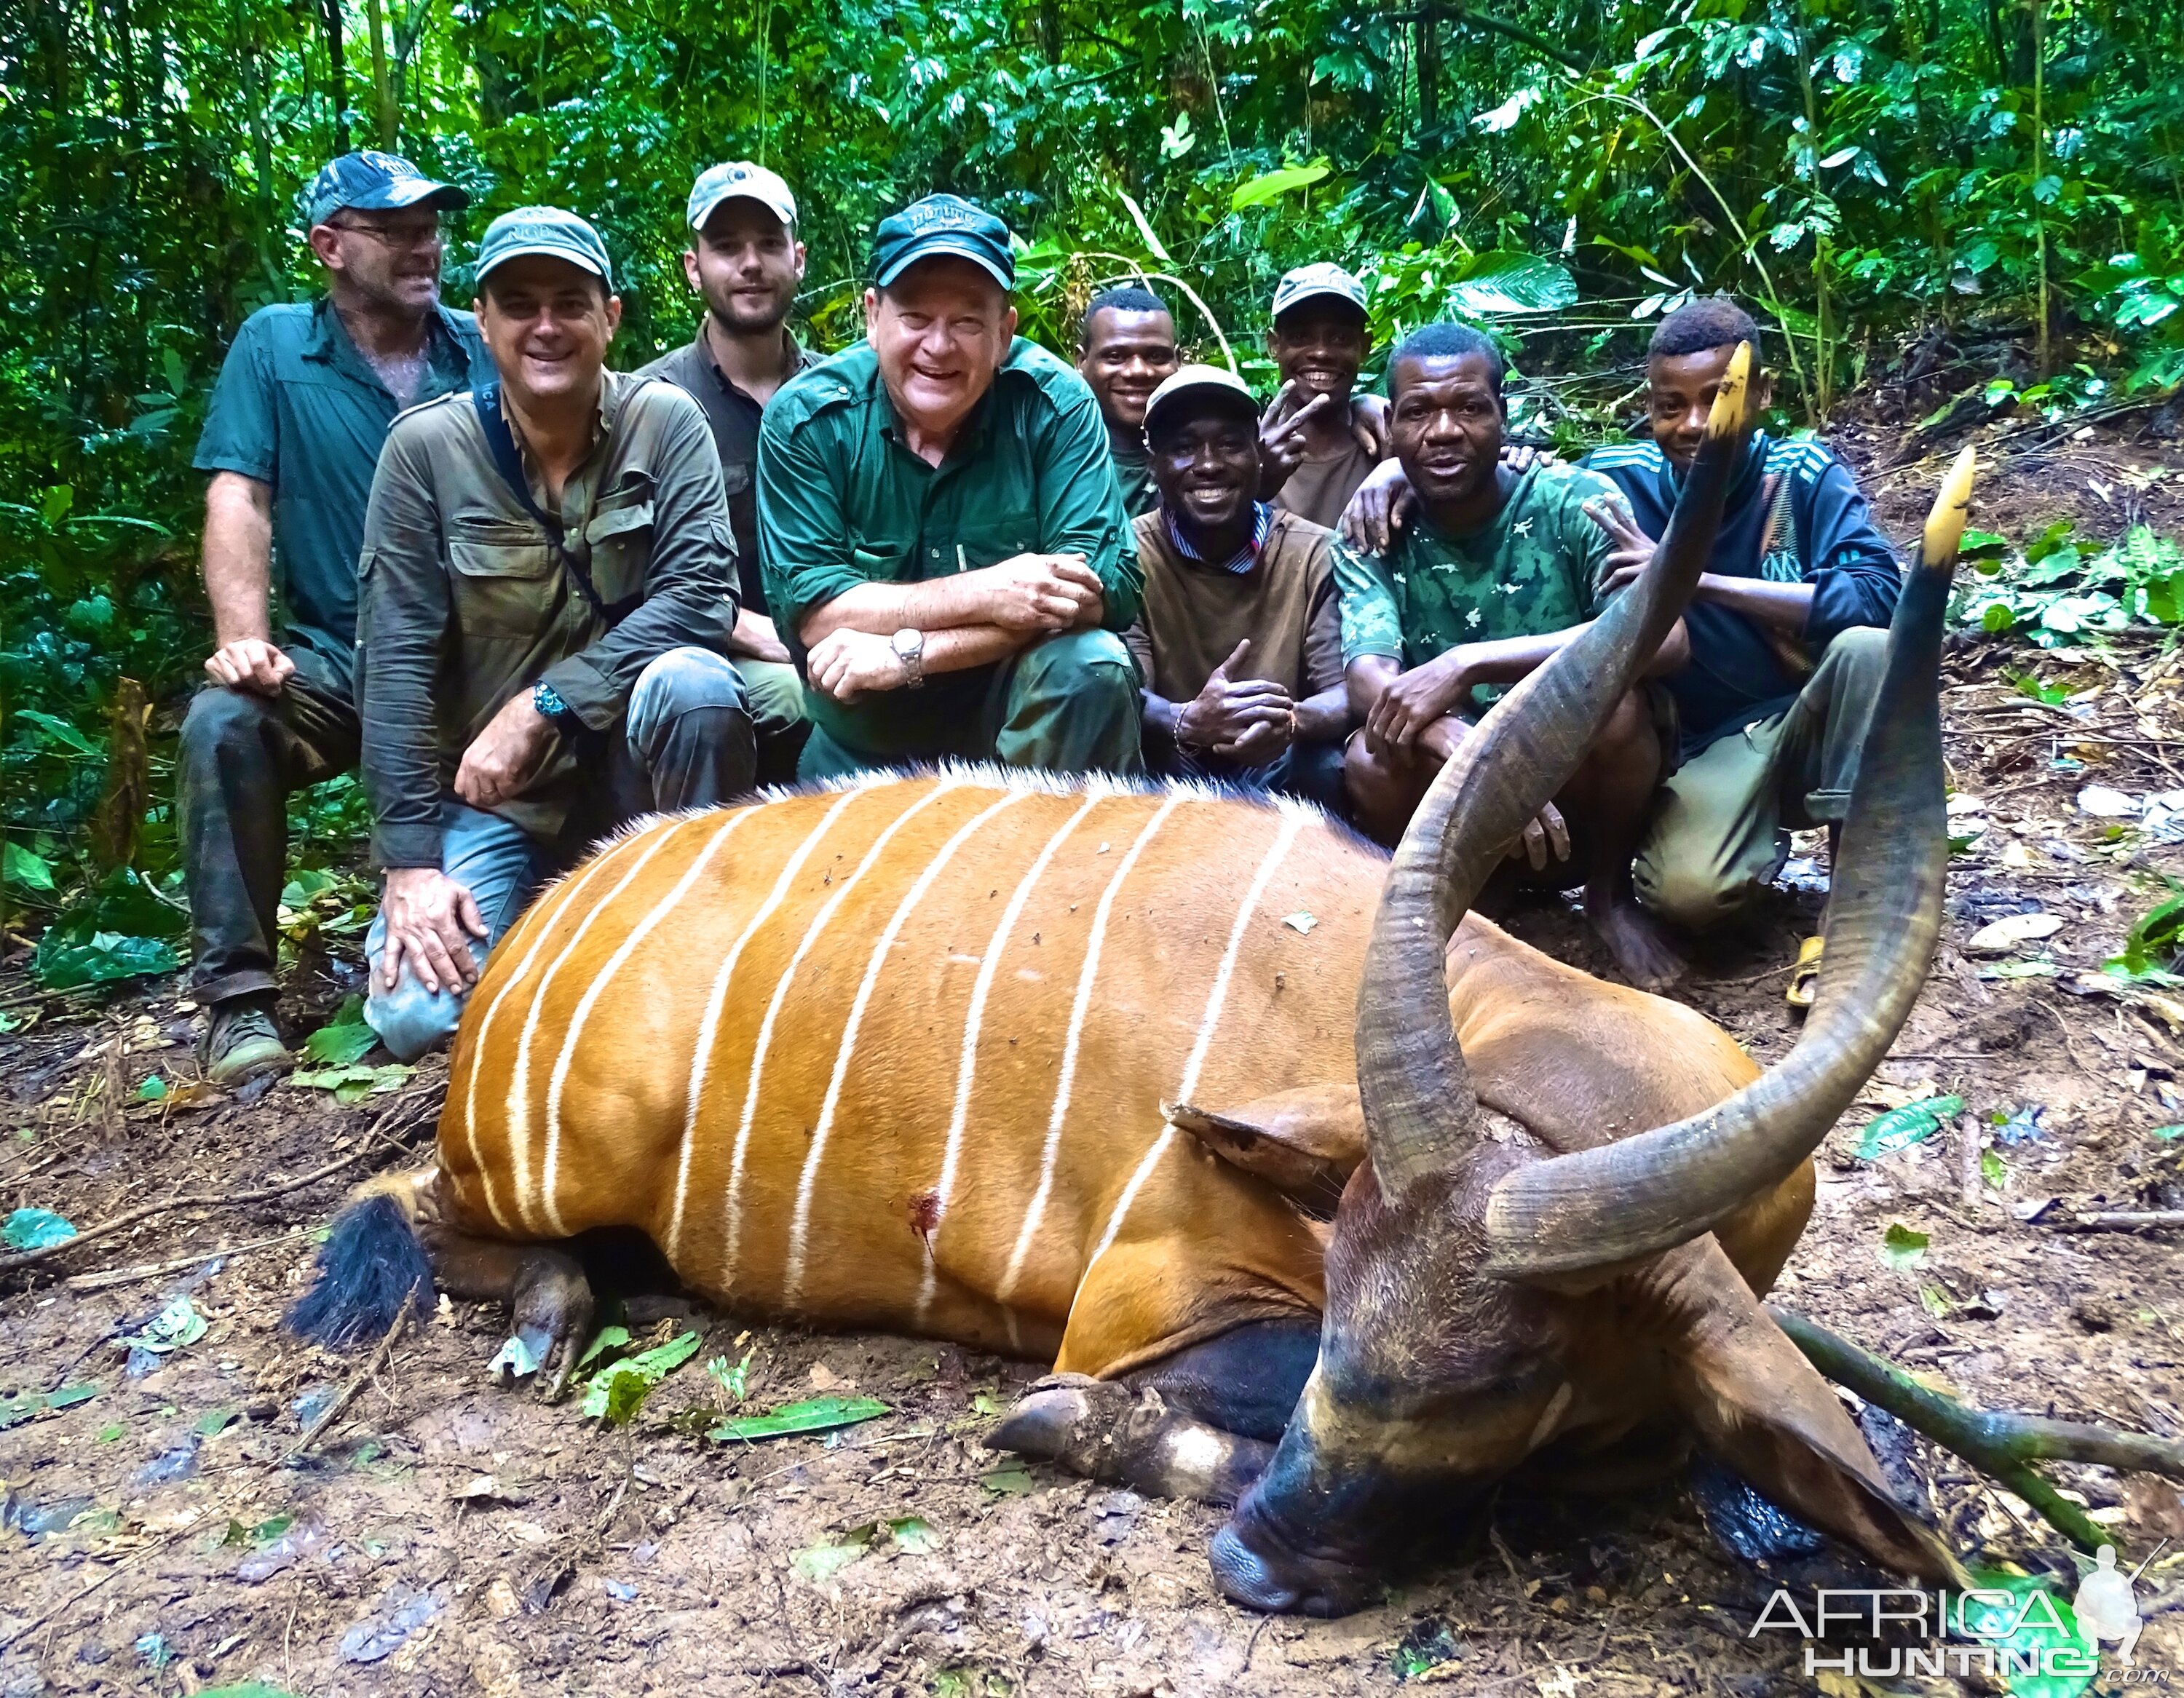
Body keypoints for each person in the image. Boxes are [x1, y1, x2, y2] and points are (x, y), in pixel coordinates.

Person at [355, 207, 756, 1060]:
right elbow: (393, 666)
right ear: (483, 320)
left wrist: (545, 705)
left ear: (609, 317)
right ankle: (554, 930)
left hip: (634, 772)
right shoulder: (425, 450)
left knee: (694, 683)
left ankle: (691, 939)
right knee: (416, 1018)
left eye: (570, 302)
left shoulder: (665, 421)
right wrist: (411, 866)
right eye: (521, 303)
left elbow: (700, 595)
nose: (546, 326)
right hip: (500, 800)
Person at [180, 150, 488, 1087]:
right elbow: (241, 493)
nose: (422, 246)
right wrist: (245, 636)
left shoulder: (479, 345)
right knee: (226, 724)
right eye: (394, 231)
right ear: (330, 245)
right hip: (341, 656)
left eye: (429, 228)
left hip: (479, 663)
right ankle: (239, 1002)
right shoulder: (278, 346)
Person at [1337, 323, 1689, 988]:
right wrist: (1475, 753)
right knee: (1369, 758)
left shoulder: (1577, 501)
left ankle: (1608, 897)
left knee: (1620, 709)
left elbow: (1665, 640)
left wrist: (1469, 661)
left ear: (1505, 411)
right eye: (1419, 412)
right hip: (1456, 773)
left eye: (1469, 407)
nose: (1444, 431)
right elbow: (1367, 675)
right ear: (1390, 424)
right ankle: (1473, 903)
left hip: (1574, 766)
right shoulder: (1370, 531)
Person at [1577, 297, 1902, 1002]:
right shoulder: (1616, 478)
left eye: (1717, 398)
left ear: (1762, 393)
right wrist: (1390, 471)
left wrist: (1690, 576)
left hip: (1811, 718)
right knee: (1689, 895)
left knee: (1870, 650)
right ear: (1650, 406)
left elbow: (1880, 595)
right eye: (1672, 405)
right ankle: (1741, 849)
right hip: (1708, 746)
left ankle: (1852, 912)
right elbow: (1512, 483)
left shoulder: (1802, 473)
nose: (1695, 424)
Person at [758, 194, 1143, 779]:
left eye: (967, 321)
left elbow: (1094, 592)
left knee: (1090, 663)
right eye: (914, 317)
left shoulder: (1054, 405)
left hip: (1017, 733)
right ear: (872, 317)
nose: (939, 346)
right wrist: (990, 592)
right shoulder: (807, 420)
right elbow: (818, 614)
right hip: (865, 744)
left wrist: (906, 653)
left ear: (1004, 331)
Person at [636, 161, 815, 779]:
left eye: (769, 244)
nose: (750, 264)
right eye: (726, 246)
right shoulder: (649, 403)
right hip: (709, 651)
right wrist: (756, 633)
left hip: (835, 637)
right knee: (788, 698)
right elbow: (631, 571)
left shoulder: (843, 392)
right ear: (694, 268)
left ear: (798, 258)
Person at [1123, 365, 1349, 810]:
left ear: (1258, 456)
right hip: (1174, 756)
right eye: (1184, 448)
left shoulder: (1313, 552)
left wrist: (1286, 720)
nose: (1208, 465)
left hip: (1276, 758)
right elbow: (1130, 693)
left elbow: (1343, 695)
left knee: (1326, 765)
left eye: (1230, 445)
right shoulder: (1129, 553)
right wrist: (1186, 721)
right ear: (1156, 466)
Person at [1261, 263, 1388, 528]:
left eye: (1340, 338)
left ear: (1364, 347)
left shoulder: (1387, 445)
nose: (1321, 353)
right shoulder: (1245, 452)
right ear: (1274, 345)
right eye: (1300, 336)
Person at [1076, 285, 1182, 518]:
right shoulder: (1056, 455)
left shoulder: (1207, 454)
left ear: (1179, 361)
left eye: (1156, 356)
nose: (1138, 371)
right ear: (1081, 362)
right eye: (1116, 357)